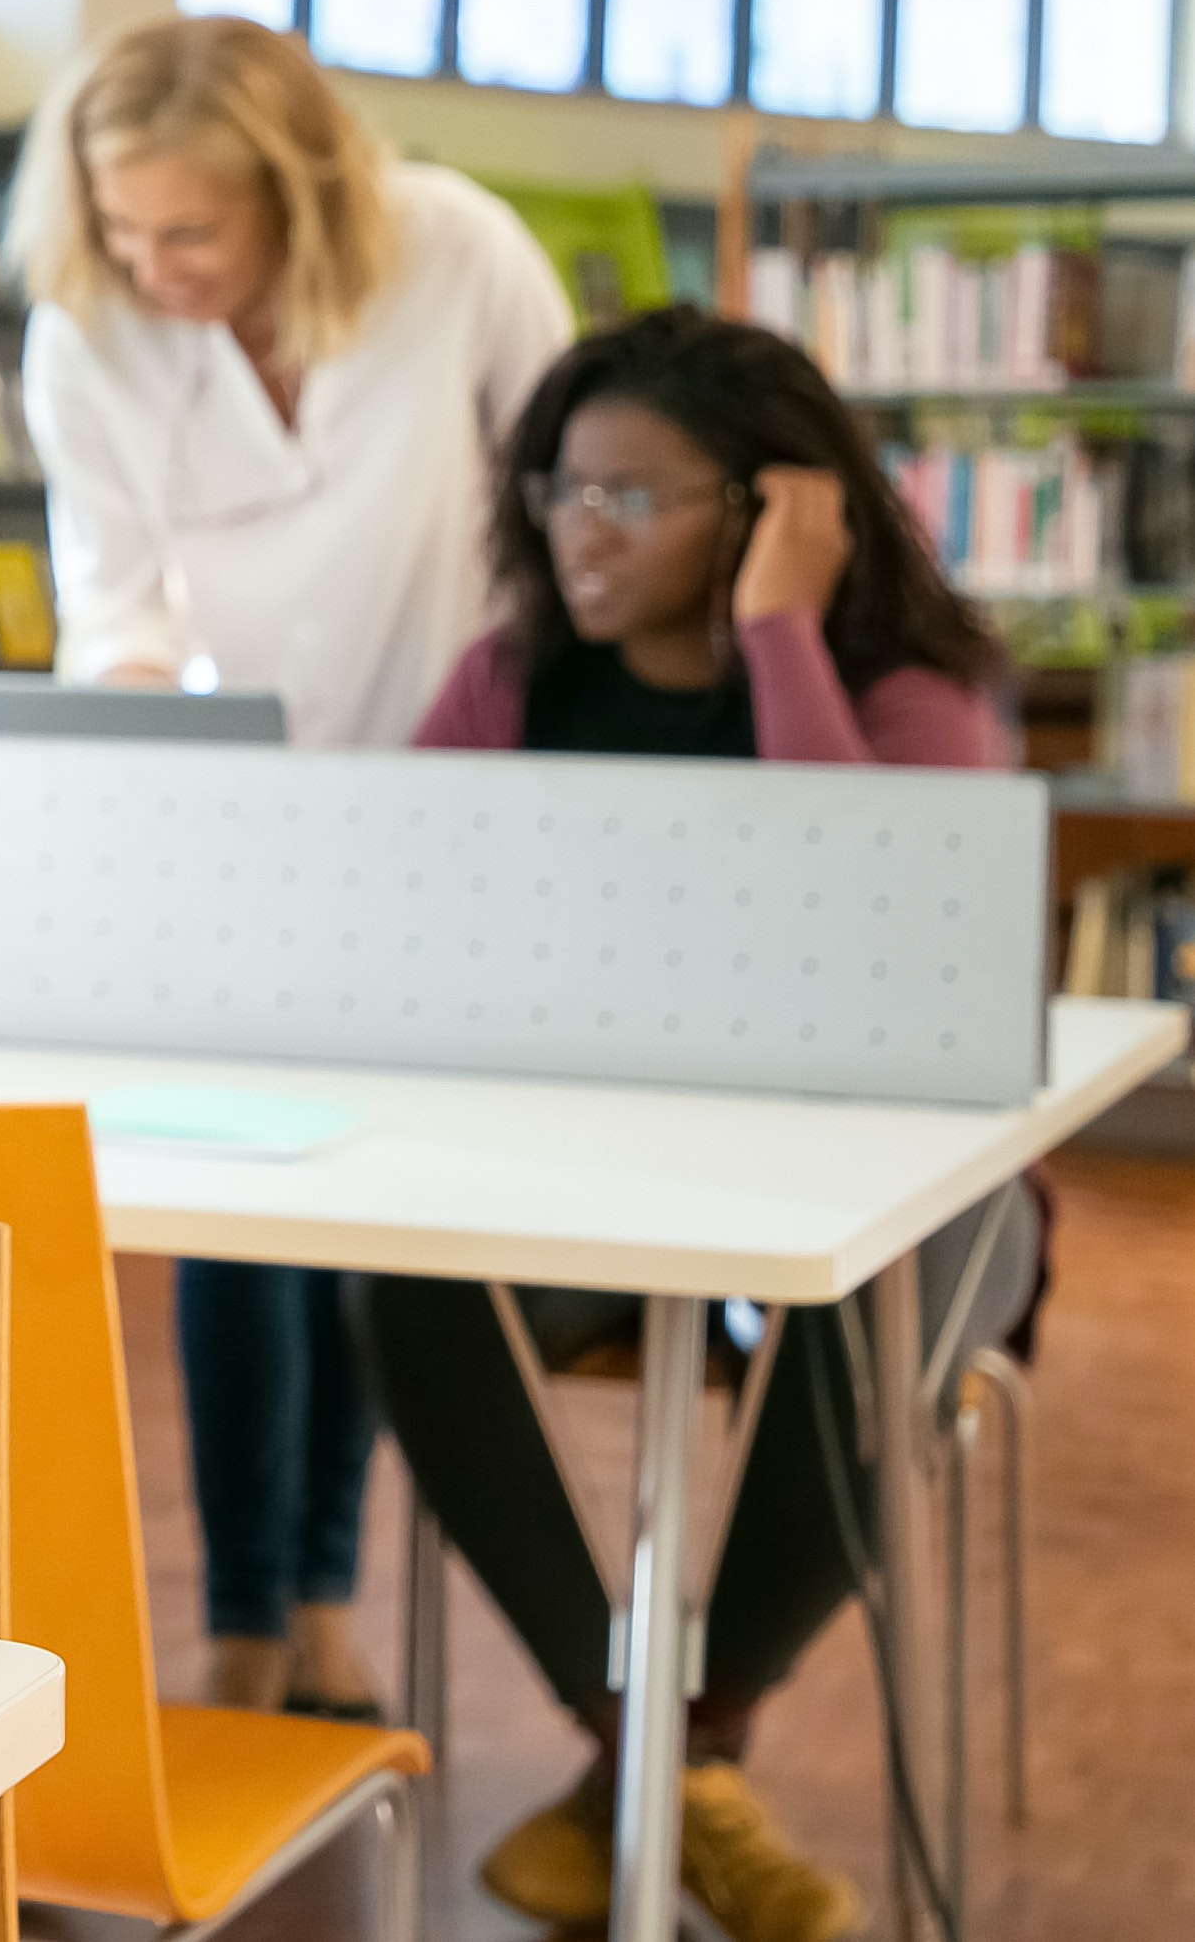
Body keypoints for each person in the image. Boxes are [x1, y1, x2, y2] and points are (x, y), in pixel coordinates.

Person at [363, 305, 1024, 1942]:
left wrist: (780, 637)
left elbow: (873, 937)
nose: (578, 530)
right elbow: (389, 912)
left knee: (872, 1288)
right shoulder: (507, 686)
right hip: (590, 1190)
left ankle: (652, 1770)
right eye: (557, 491)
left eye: (630, 497)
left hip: (888, 1194)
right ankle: (666, 1764)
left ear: (766, 509)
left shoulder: (902, 698)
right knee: (400, 1277)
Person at [8, 12, 574, 1720]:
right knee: (243, 1232)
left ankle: (325, 1602)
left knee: (370, 1230)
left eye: (190, 230)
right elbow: (113, 615)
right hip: (230, 839)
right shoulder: (85, 337)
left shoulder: (455, 254)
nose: (149, 264)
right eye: (119, 227)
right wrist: (137, 776)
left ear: (298, 198)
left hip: (450, 819)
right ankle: (244, 1619)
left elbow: (566, 504)